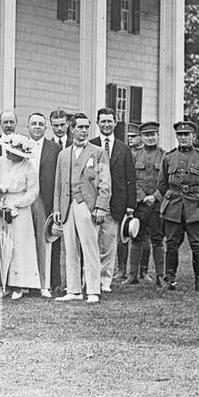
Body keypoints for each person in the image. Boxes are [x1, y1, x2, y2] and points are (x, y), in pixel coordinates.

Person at [52, 113, 111, 303]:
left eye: (86, 127)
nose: (84, 131)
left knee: (90, 247)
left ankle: (93, 290)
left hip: (88, 205)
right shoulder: (63, 154)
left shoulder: (98, 152)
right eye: (80, 127)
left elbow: (105, 182)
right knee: (70, 248)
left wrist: (101, 207)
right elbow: (58, 185)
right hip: (68, 205)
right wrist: (57, 209)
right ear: (72, 128)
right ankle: (74, 289)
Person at [158, 119, 199, 293]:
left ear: (193, 136)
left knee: (197, 246)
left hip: (194, 208)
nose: (183, 138)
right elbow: (162, 184)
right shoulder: (168, 157)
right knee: (171, 244)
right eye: (180, 134)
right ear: (176, 136)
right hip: (173, 207)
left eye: (186, 134)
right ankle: (170, 279)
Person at [90, 106, 136, 293]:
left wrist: (130, 207)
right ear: (97, 123)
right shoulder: (90, 145)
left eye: (110, 121)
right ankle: (90, 279)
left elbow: (131, 179)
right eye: (103, 121)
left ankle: (105, 281)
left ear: (115, 123)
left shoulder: (124, 150)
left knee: (109, 244)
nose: (106, 124)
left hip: (115, 205)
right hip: (93, 204)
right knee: (91, 243)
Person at [0, 134, 42, 299]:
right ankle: (5, 283)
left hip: (20, 207)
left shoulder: (29, 166)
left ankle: (20, 285)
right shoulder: (1, 161)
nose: (8, 154)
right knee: (3, 242)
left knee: (20, 245)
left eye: (12, 152)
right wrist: (0, 201)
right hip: (2, 203)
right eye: (7, 151)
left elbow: (33, 191)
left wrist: (18, 204)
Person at [127, 120, 167, 286]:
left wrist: (156, 196)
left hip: (158, 206)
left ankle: (160, 276)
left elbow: (167, 181)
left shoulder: (165, 156)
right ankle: (132, 276)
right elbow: (131, 180)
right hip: (140, 205)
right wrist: (143, 196)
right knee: (136, 238)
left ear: (157, 136)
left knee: (157, 239)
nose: (150, 138)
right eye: (146, 135)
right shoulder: (134, 156)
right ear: (141, 137)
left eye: (153, 135)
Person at [26, 111, 60, 297]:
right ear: (28, 126)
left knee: (47, 240)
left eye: (40, 124)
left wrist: (56, 205)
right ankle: (28, 281)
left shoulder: (54, 148)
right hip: (25, 200)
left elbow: (58, 178)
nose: (37, 127)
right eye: (34, 123)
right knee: (26, 240)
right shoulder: (21, 145)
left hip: (46, 199)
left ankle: (50, 282)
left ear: (45, 127)